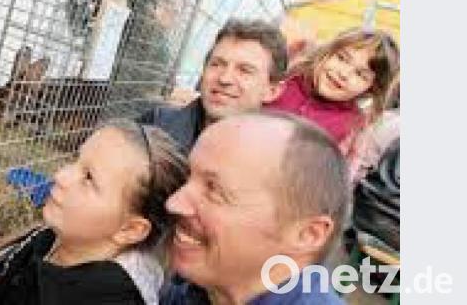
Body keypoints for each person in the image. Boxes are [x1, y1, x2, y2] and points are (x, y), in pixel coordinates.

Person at [0, 119, 189, 305]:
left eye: (89, 178)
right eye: (76, 160)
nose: (61, 176)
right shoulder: (53, 239)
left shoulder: (106, 298)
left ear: (129, 229)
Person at [161, 111, 350, 304]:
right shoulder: (195, 288)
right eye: (186, 177)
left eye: (214, 190)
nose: (173, 203)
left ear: (308, 234)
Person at [139, 19, 288, 153]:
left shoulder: (273, 162)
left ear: (272, 91)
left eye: (244, 70)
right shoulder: (155, 128)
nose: (224, 78)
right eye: (217, 64)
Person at [265, 28, 399, 164]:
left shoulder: (352, 128)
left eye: (360, 74)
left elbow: (343, 171)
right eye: (342, 58)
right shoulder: (285, 77)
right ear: (327, 52)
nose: (344, 74)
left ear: (371, 89)